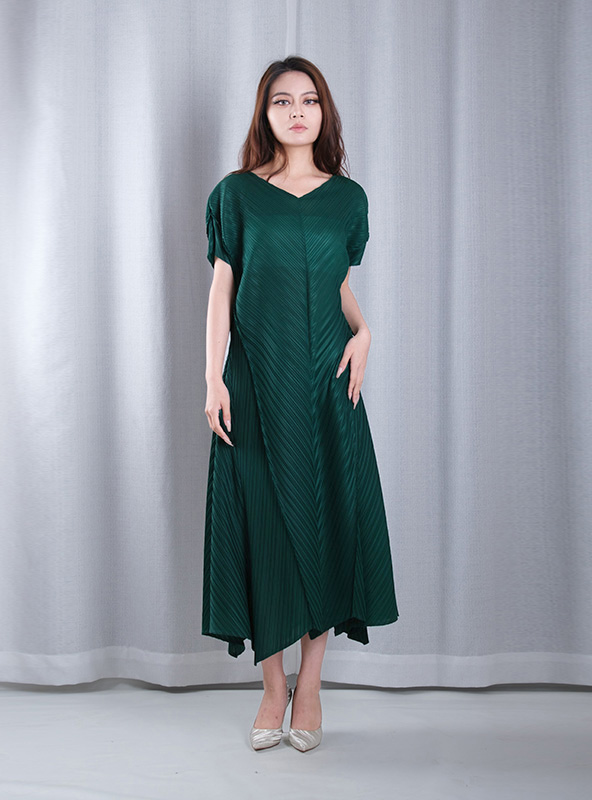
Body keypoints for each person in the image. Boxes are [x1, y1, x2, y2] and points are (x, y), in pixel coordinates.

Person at [202, 56, 399, 752]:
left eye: (308, 100)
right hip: (256, 381)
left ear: (324, 112)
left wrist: (365, 331)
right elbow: (224, 288)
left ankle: (310, 685)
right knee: (264, 525)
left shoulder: (347, 199)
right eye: (282, 101)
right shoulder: (236, 195)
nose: (296, 112)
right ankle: (272, 684)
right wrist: (213, 378)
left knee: (325, 523)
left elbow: (335, 281)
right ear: (265, 113)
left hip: (325, 383)